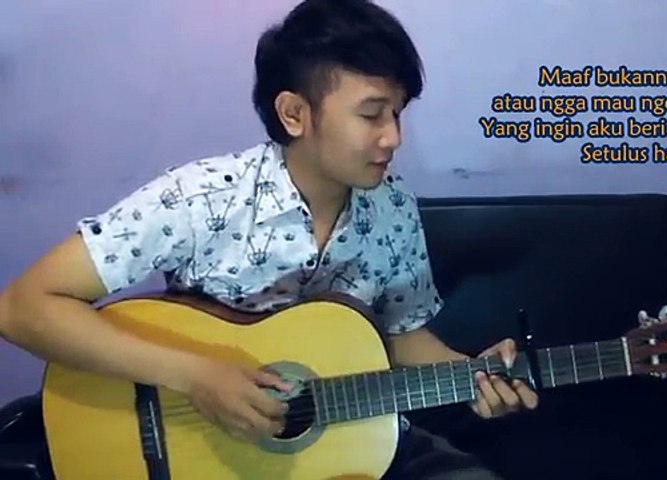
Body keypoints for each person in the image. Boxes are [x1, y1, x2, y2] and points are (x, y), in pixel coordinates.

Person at [0, 0, 538, 478]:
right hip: (210, 455)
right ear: (294, 114)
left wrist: (473, 376)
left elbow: (397, 336)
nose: (393, 136)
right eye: (372, 114)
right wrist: (195, 376)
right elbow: (21, 308)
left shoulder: (393, 208)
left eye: (398, 114)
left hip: (357, 442)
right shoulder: (201, 198)